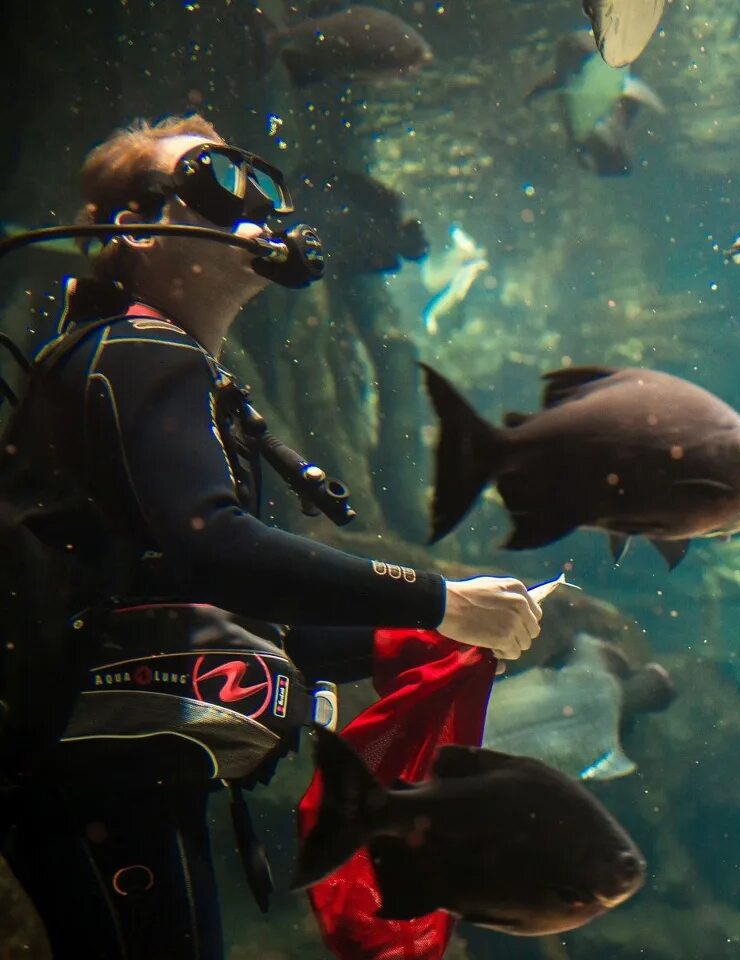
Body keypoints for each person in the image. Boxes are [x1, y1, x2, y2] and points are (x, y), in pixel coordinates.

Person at [0, 114, 542, 959]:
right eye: (213, 180)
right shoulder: (141, 355)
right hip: (97, 776)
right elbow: (217, 548)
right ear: (134, 229)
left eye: (262, 185)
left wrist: (419, 635)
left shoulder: (140, 361)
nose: (252, 206)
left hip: (102, 769)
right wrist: (437, 598)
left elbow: (236, 616)